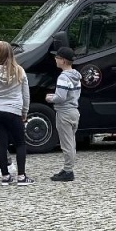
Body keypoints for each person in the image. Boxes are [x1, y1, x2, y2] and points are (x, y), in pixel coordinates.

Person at [0, 40, 31, 185]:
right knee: (20, 143)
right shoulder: (19, 71)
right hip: (14, 110)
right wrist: (24, 111)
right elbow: (25, 94)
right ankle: (21, 176)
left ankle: (5, 176)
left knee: (1, 144)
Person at [46, 46, 82, 182]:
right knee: (71, 142)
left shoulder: (63, 77)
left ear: (64, 61)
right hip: (74, 111)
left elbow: (61, 97)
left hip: (64, 112)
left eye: (58, 57)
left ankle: (68, 170)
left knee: (66, 143)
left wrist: (51, 98)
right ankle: (68, 168)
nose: (55, 59)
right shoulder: (76, 76)